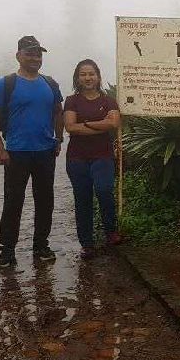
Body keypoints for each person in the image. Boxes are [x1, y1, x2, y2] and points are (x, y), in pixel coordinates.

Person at [0, 36, 63, 269]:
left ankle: (41, 245)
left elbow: (58, 112)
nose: (35, 57)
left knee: (45, 200)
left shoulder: (50, 84)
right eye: (29, 53)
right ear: (18, 55)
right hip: (16, 152)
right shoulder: (6, 84)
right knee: (13, 202)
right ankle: (7, 250)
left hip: (45, 152)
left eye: (38, 53)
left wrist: (58, 139)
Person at [63, 59, 122, 258]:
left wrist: (85, 124)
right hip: (77, 158)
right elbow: (70, 127)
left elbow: (113, 123)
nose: (88, 78)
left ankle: (110, 231)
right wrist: (99, 124)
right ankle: (87, 242)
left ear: (98, 76)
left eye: (91, 74)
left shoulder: (108, 101)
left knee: (105, 190)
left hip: (103, 155)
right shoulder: (72, 100)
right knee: (83, 198)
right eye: (83, 74)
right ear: (77, 78)